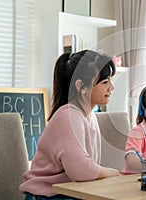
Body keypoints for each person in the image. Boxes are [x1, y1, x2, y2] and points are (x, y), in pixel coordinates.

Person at [20, 50, 120, 199]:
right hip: (47, 196)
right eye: (105, 82)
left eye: (110, 80)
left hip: (69, 193)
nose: (111, 87)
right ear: (81, 87)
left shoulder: (89, 116)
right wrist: (114, 173)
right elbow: (81, 171)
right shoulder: (68, 116)